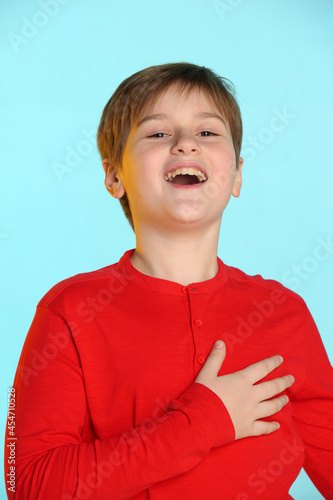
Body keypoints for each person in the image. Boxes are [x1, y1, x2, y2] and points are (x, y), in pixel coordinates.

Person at [4, 63, 333, 500]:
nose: (185, 144)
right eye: (158, 134)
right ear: (114, 176)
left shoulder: (284, 313)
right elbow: (31, 485)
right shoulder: (70, 310)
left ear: (236, 174)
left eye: (208, 133)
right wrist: (203, 422)